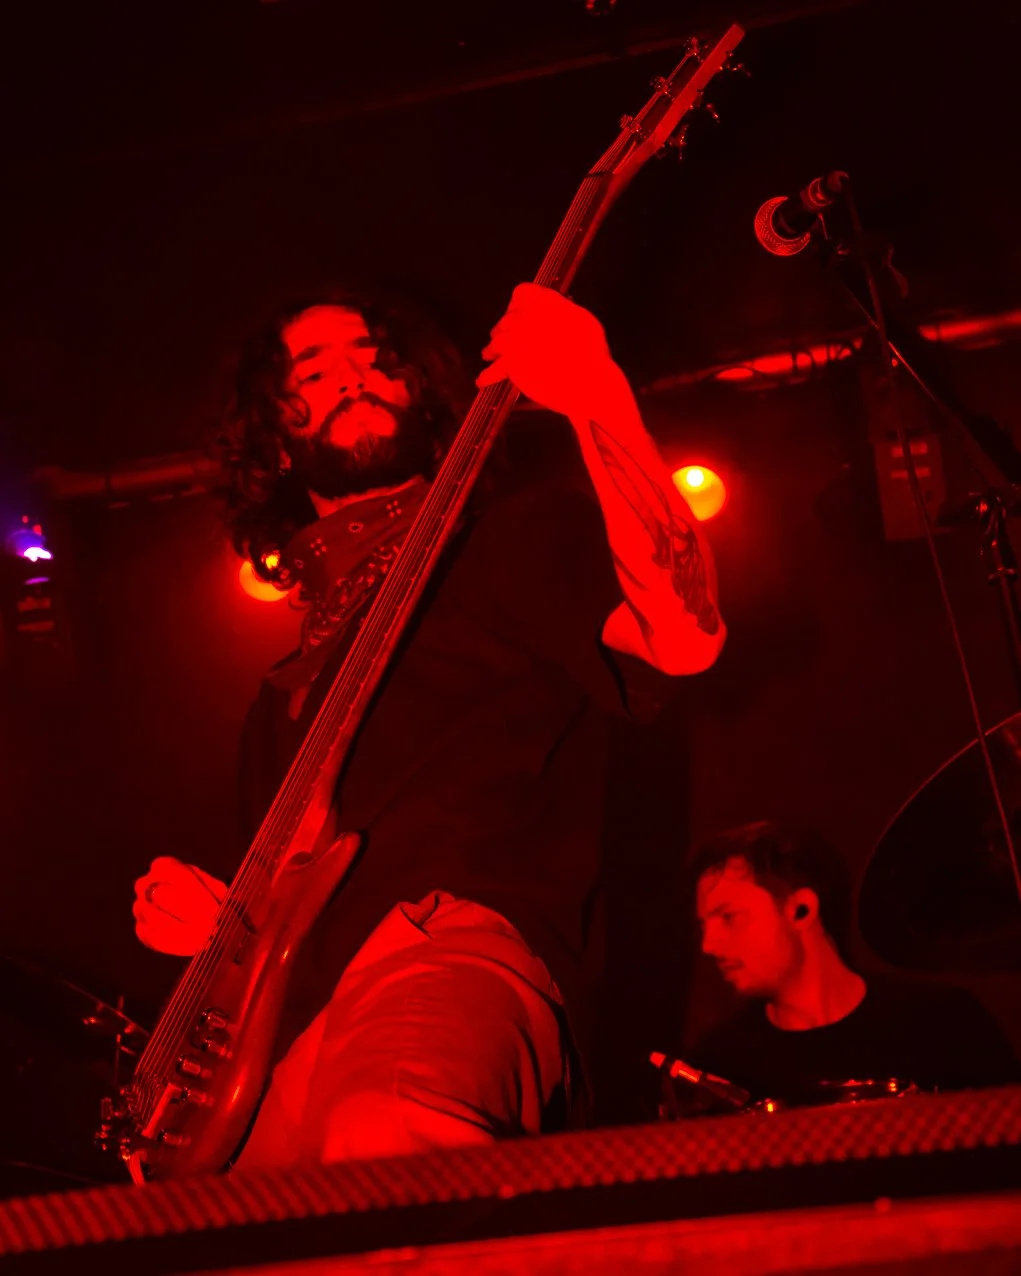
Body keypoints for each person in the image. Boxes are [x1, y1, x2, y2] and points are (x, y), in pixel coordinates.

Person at [131, 282, 726, 1165]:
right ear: (275, 441)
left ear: (426, 398)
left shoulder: (504, 543)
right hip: (288, 1032)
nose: (351, 377)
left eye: (376, 359)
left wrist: (596, 394)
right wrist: (212, 925)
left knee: (386, 1135)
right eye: (312, 372)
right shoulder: (278, 694)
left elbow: (682, 636)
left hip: (445, 944)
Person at [677, 820, 1019, 1106]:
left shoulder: (943, 1024)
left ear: (801, 910)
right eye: (703, 926)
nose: (708, 945)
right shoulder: (718, 1066)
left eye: (729, 917)